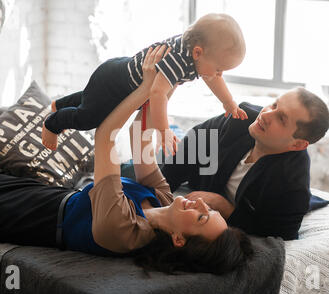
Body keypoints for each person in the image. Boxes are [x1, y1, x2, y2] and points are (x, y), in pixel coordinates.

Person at [0, 45, 253, 276]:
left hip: (26, 214)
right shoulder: (163, 199)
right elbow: (140, 135)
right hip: (48, 196)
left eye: (201, 217)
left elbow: (105, 136)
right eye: (208, 209)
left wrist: (145, 89)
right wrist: (167, 82)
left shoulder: (123, 231)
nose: (200, 204)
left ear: (179, 239)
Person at [41, 13, 248, 157]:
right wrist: (163, 130)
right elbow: (157, 94)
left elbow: (212, 78)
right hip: (114, 83)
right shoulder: (178, 60)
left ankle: (58, 104)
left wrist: (228, 102)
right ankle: (53, 123)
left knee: (91, 97)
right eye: (219, 68)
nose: (219, 75)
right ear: (198, 53)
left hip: (117, 76)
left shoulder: (196, 51)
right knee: (88, 118)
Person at [160, 87, 329, 241]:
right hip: (196, 177)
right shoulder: (242, 117)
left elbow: (282, 232)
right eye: (274, 104)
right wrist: (158, 197)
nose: (266, 114)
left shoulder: (292, 183)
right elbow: (195, 143)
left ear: (297, 145)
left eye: (281, 119)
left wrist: (226, 208)